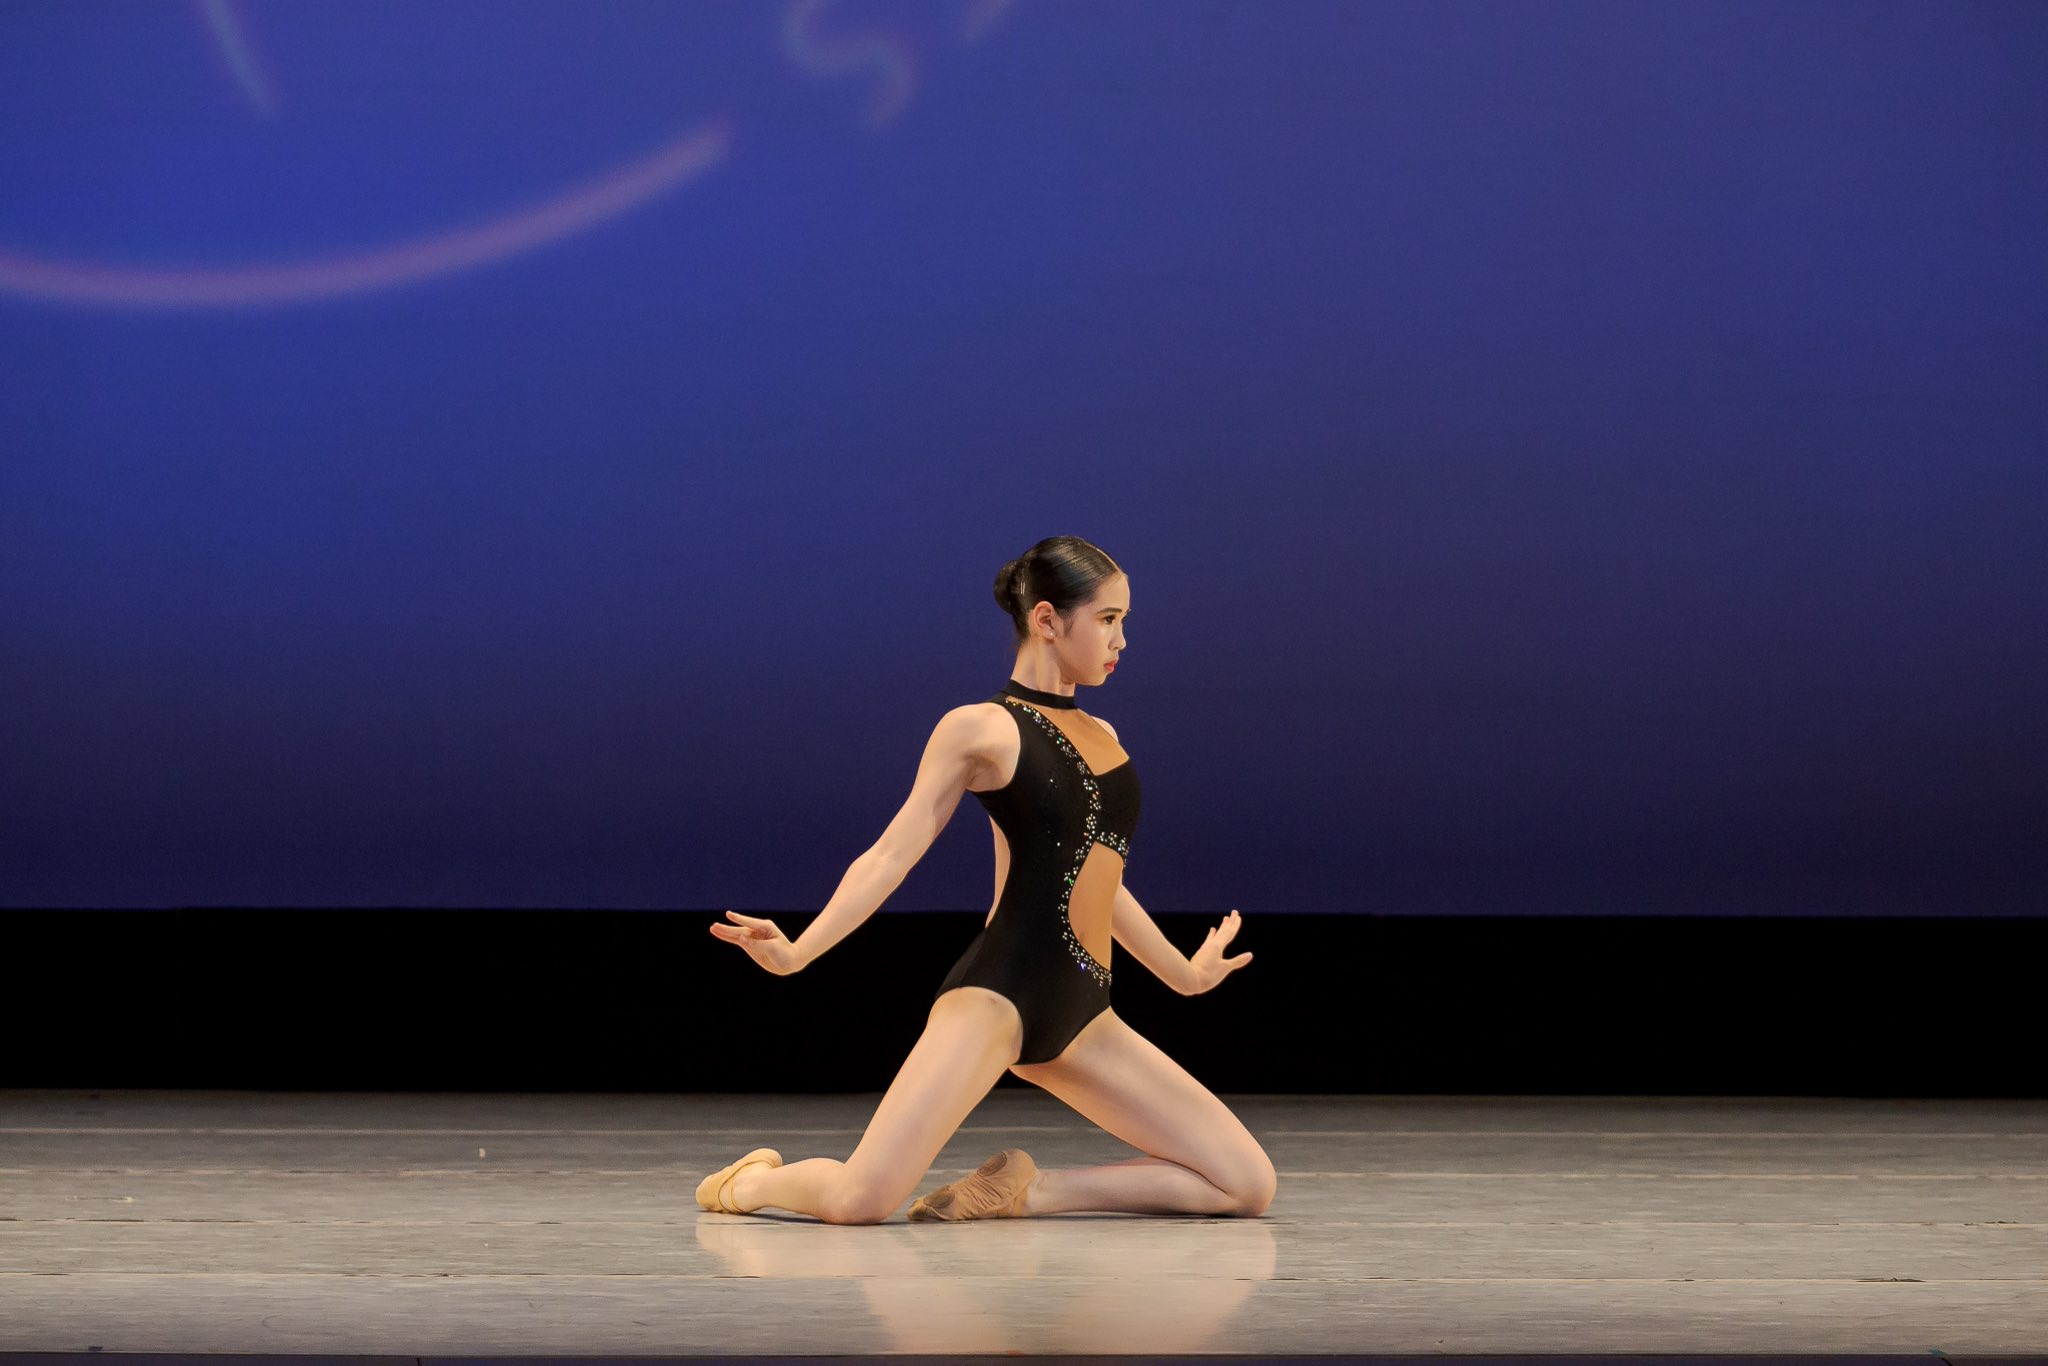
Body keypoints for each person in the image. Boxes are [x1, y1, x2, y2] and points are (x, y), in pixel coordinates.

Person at [698, 536, 1272, 1224]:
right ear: (1047, 620)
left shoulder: (1106, 734)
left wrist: (1185, 975)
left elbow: (1098, 882)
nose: (1122, 639)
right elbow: (890, 856)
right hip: (998, 995)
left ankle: (1029, 1191)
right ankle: (750, 1184)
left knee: (1245, 1184)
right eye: (1108, 619)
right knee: (861, 1201)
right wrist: (799, 952)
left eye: (1123, 620)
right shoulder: (981, 729)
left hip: (1083, 1011)